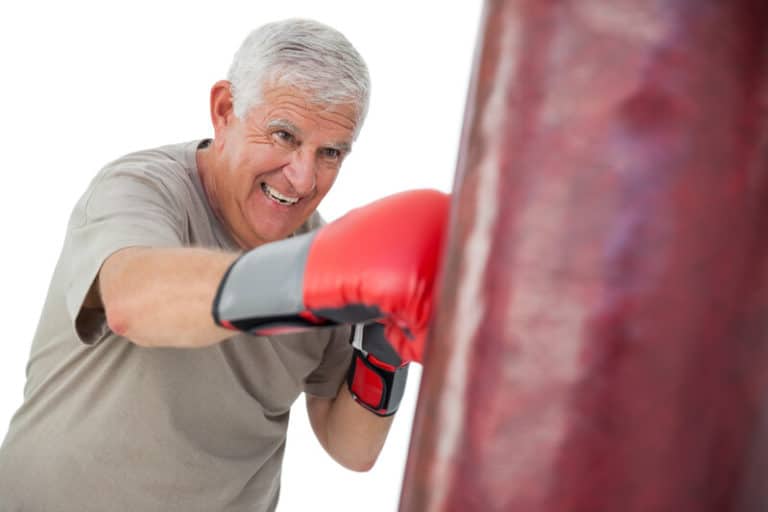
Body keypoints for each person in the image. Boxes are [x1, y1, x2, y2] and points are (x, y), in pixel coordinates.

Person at [0, 18, 448, 511]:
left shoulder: (328, 255)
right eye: (283, 135)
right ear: (225, 110)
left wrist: (382, 349)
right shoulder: (141, 189)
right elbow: (133, 302)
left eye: (330, 153)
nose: (302, 178)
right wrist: (312, 281)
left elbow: (352, 449)